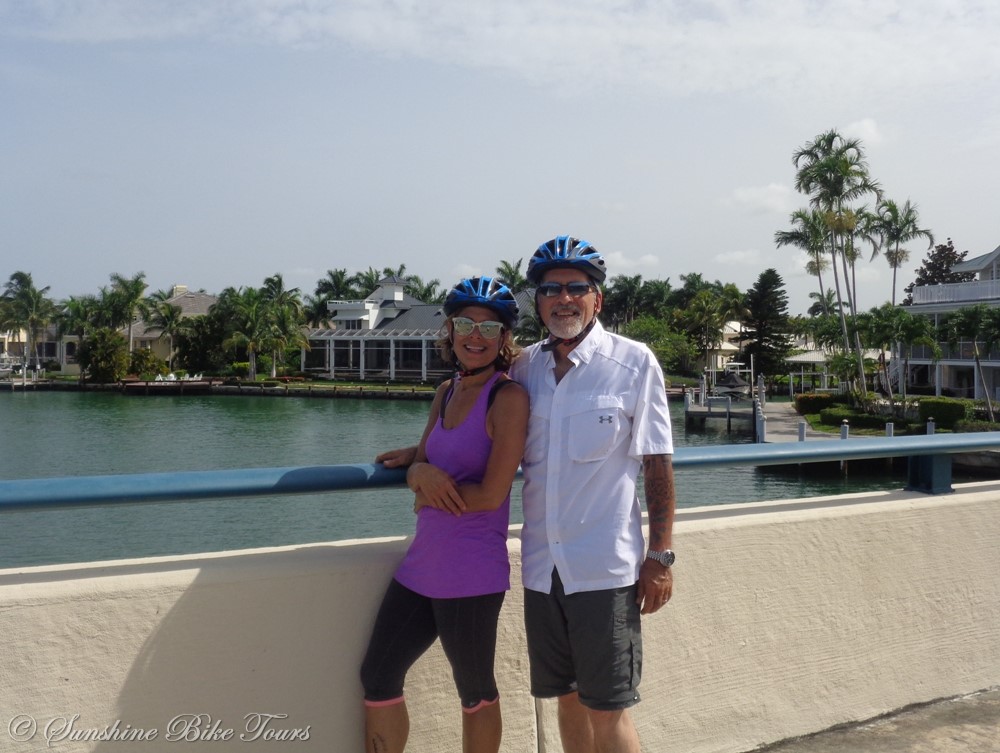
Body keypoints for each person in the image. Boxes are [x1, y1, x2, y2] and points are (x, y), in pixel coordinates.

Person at [380, 237, 676, 753]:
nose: (564, 298)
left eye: (576, 288)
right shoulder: (525, 370)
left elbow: (658, 465)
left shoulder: (633, 363)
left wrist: (660, 556)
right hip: (542, 569)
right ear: (537, 302)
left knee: (608, 710)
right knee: (565, 701)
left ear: (597, 299)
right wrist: (419, 456)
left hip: (603, 567)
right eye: (551, 289)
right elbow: (475, 417)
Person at [362, 276, 529, 753]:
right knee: (378, 675)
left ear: (504, 338)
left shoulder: (508, 398)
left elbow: (490, 495)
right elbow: (425, 462)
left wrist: (428, 483)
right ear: (449, 331)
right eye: (464, 324)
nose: (475, 337)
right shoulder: (446, 391)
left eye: (489, 328)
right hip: (423, 564)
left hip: (471, 572)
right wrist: (419, 473)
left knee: (475, 692)